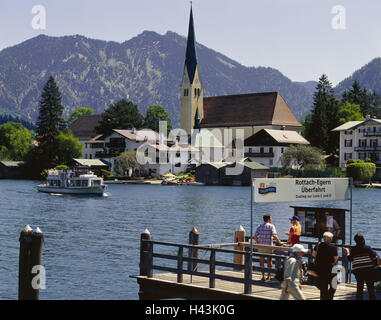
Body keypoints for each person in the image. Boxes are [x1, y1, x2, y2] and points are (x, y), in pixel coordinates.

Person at [344, 233, 381, 300]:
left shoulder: (354, 249)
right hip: (369, 271)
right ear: (363, 240)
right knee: (370, 290)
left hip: (358, 272)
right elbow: (375, 257)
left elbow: (350, 259)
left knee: (359, 290)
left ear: (355, 241)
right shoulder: (367, 248)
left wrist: (347, 251)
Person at [254, 214, 283, 281]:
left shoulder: (260, 226)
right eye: (271, 218)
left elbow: (255, 236)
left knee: (261, 261)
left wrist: (257, 242)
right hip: (268, 246)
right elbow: (274, 235)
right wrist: (279, 242)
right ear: (269, 219)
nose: (271, 219)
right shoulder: (271, 226)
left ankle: (263, 276)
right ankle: (269, 276)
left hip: (261, 246)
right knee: (269, 261)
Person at [312, 231, 339, 300]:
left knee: (323, 287)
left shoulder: (318, 245)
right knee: (334, 284)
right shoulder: (333, 247)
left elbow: (313, 254)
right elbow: (336, 258)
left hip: (320, 269)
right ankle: (329, 296)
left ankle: (324, 297)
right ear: (330, 239)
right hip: (330, 269)